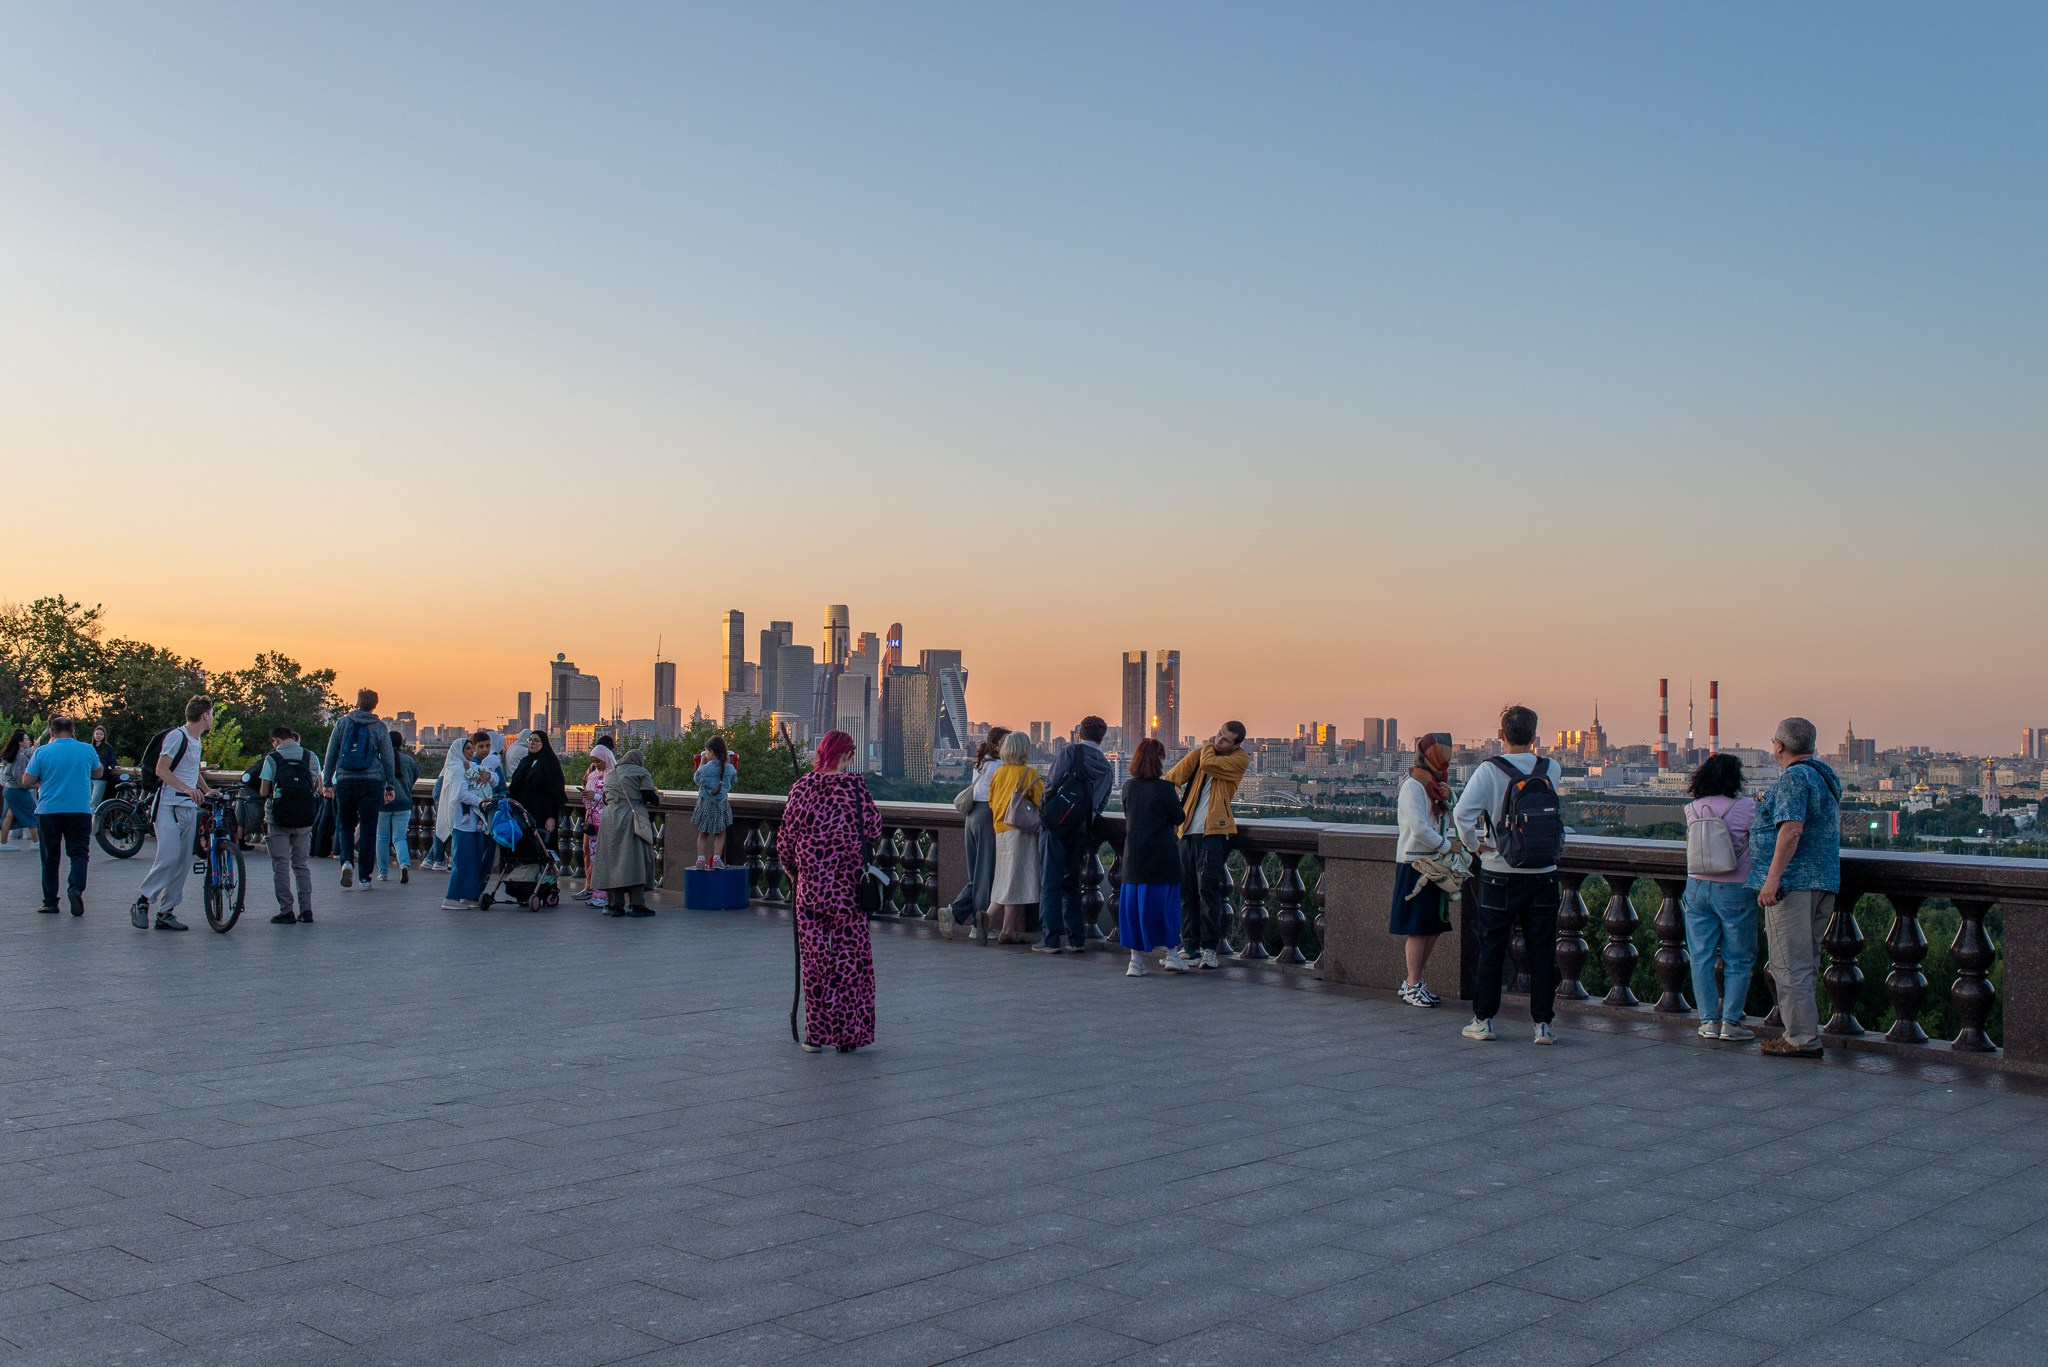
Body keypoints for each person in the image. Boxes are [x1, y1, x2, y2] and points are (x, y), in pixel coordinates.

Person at [1453, 704, 1565, 1045]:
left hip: (1500, 872)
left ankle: (1484, 1021)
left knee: (1492, 946)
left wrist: (1476, 847)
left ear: (1501, 735)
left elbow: (1462, 815)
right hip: (1544, 872)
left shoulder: (1489, 771)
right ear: (1534, 736)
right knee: (1542, 950)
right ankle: (1542, 1026)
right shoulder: (1551, 768)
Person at [778, 730, 885, 1052]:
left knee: (814, 961)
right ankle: (849, 1035)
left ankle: (816, 1034)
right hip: (848, 889)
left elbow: (786, 837)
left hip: (811, 887)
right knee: (850, 961)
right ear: (849, 755)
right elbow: (875, 828)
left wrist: (792, 868)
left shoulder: (802, 788)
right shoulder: (855, 788)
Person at [1748, 717, 1843, 1060]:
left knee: (1788, 965)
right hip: (1823, 881)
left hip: (1794, 885)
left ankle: (1801, 1038)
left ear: (1779, 746)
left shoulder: (1794, 778)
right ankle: (1801, 1032)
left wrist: (1771, 880)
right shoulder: (1824, 776)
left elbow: (1791, 831)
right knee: (1806, 962)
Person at [1161, 722, 1251, 972]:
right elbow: (1172, 777)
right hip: (1187, 831)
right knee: (1187, 891)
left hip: (1214, 832)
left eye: (1225, 739)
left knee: (1208, 891)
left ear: (1236, 745)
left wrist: (1207, 747)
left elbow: (1210, 764)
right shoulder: (1203, 753)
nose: (1218, 740)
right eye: (1219, 734)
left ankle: (1210, 950)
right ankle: (1190, 948)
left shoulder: (1238, 760)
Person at [1682, 753, 1760, 1043]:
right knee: (1738, 957)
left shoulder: (1692, 808)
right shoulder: (1747, 807)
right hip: (1734, 887)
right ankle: (1730, 1022)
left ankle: (1707, 1022)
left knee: (1700, 956)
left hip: (1697, 885)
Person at [1033, 716, 1115, 955]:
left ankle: (1050, 940)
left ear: (1081, 732)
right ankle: (1076, 940)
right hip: (1081, 830)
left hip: (1056, 827)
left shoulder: (1071, 753)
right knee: (1072, 884)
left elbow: (1051, 785)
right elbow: (1102, 803)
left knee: (1050, 882)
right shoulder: (1107, 766)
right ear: (1103, 737)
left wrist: (1048, 810)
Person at [133, 695, 214, 932]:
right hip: (168, 804)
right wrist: (187, 789)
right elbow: (161, 769)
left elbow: (191, 770)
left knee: (183, 862)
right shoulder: (176, 737)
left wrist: (206, 790)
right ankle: (143, 901)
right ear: (205, 715)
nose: (212, 720)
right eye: (212, 715)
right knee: (168, 856)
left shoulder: (196, 741)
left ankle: (166, 911)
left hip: (188, 806)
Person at [1391, 733, 1460, 1007]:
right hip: (1416, 864)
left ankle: (1416, 981)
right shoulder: (1413, 786)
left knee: (1431, 927)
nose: (1448, 761)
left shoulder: (1433, 784)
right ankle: (1411, 984)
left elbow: (1445, 812)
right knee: (1417, 929)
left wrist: (1449, 795)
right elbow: (1419, 828)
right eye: (1444, 754)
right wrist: (1446, 845)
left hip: (1433, 865)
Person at [1116, 738, 1184, 977]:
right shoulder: (1165, 788)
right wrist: (1177, 795)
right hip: (1162, 857)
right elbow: (1179, 818)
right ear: (1159, 761)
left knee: (1134, 910)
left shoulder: (1128, 787)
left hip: (1133, 859)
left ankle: (1135, 961)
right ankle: (1172, 955)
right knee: (1165, 909)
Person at [23, 716, 101, 915]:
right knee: (79, 854)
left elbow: (27, 780)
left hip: (49, 810)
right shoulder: (86, 749)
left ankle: (50, 902)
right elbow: (99, 773)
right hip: (80, 810)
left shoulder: (42, 752)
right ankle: (75, 888)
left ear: (51, 732)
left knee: (50, 857)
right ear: (73, 731)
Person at [322, 688, 397, 892]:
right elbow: (388, 758)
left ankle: (346, 861)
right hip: (371, 781)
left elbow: (331, 754)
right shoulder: (379, 726)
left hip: (345, 780)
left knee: (345, 823)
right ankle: (365, 877)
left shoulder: (343, 723)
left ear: (357, 702)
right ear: (375, 704)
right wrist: (390, 784)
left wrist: (327, 781)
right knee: (368, 828)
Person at [943, 726, 1009, 939]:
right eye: (1005, 742)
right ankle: (978, 926)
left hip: (972, 816)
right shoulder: (999, 765)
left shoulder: (983, 761)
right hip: (987, 817)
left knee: (976, 873)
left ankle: (955, 912)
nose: (1007, 745)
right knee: (985, 874)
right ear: (996, 743)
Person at [258, 726, 324, 925]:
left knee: (281, 865)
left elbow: (263, 791)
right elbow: (318, 786)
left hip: (278, 819)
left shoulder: (272, 759)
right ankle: (307, 909)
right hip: (304, 818)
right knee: (301, 865)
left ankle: (286, 910)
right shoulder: (310, 756)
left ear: (276, 740)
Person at [985, 730, 1044, 945]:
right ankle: (988, 917)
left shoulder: (999, 773)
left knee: (1008, 879)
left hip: (1000, 829)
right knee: (1012, 880)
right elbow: (1041, 801)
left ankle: (1007, 930)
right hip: (1021, 830)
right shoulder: (1028, 774)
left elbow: (991, 801)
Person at [593, 748, 659, 916]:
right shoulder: (641, 772)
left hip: (610, 818)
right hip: (631, 817)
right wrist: (658, 798)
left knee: (612, 860)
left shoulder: (610, 774)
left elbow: (605, 797)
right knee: (635, 860)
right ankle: (637, 904)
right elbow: (649, 795)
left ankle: (614, 904)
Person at [437, 732, 495, 910]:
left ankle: (467, 896)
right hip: (463, 822)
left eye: (471, 748)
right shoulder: (456, 769)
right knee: (462, 860)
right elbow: (459, 794)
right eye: (467, 749)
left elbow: (492, 778)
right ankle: (451, 897)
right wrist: (481, 802)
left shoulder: (468, 766)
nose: (471, 751)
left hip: (474, 822)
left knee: (473, 860)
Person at [508, 729, 567, 850]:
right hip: (524, 814)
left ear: (543, 743)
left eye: (536, 741)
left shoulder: (550, 762)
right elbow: (516, 784)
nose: (532, 743)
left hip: (542, 814)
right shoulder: (526, 761)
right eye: (530, 740)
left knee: (542, 849)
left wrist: (552, 817)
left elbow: (555, 790)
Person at [375, 730, 419, 884]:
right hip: (404, 803)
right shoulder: (409, 760)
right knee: (400, 837)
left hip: (383, 804)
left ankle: (383, 872)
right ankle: (404, 865)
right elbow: (414, 777)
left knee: (382, 838)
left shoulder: (379, 760)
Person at [575, 742, 614, 907]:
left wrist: (596, 796)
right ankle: (596, 893)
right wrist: (586, 796)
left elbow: (613, 798)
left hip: (606, 821)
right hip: (592, 821)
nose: (596, 764)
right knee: (593, 858)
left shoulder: (612, 775)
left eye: (599, 761)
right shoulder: (593, 775)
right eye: (594, 761)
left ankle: (605, 895)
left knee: (604, 858)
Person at [690, 736, 737, 869]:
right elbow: (734, 780)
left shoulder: (705, 769)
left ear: (710, 752)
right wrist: (729, 763)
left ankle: (700, 860)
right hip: (721, 804)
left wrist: (702, 762)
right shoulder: (729, 768)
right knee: (721, 832)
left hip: (706, 803)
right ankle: (717, 859)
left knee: (703, 832)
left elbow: (697, 779)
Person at [0, 728, 37, 850]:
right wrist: (32, 784)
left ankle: (3, 843)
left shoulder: (11, 755)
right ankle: (36, 842)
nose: (29, 741)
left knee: (8, 816)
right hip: (18, 790)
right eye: (26, 739)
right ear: (20, 742)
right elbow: (20, 776)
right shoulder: (20, 756)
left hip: (9, 789)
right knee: (32, 814)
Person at [89, 726, 117, 808]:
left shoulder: (108, 748)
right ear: (94, 735)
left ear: (104, 736)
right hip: (89, 777)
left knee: (95, 801)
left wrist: (114, 766)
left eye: (101, 734)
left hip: (101, 778)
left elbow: (112, 761)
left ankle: (94, 820)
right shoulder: (90, 747)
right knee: (87, 800)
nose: (98, 736)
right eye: (97, 734)